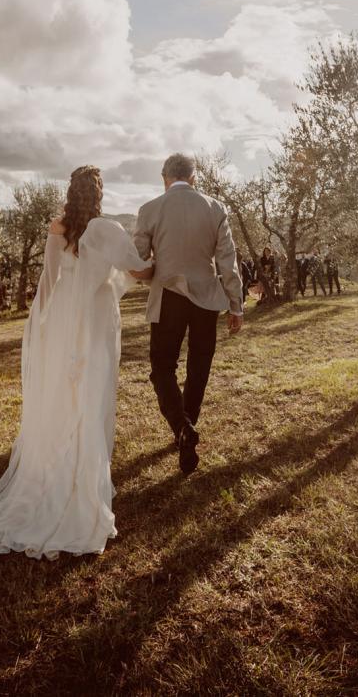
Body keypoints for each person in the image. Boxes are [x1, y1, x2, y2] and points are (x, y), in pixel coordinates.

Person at [0, 166, 153, 561]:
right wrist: (156, 257)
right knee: (92, 391)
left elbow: (49, 282)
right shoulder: (108, 229)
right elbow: (139, 270)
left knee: (64, 392)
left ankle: (61, 466)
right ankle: (84, 474)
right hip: (96, 322)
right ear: (99, 194)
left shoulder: (57, 228)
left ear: (71, 193)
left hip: (62, 322)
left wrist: (41, 328)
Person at [134, 153, 245, 475]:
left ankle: (181, 427)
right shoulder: (216, 208)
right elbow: (228, 262)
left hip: (168, 295)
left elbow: (139, 261)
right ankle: (187, 426)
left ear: (164, 178)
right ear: (194, 178)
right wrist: (236, 305)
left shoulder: (149, 209)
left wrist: (155, 270)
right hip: (206, 299)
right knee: (199, 365)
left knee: (162, 367)